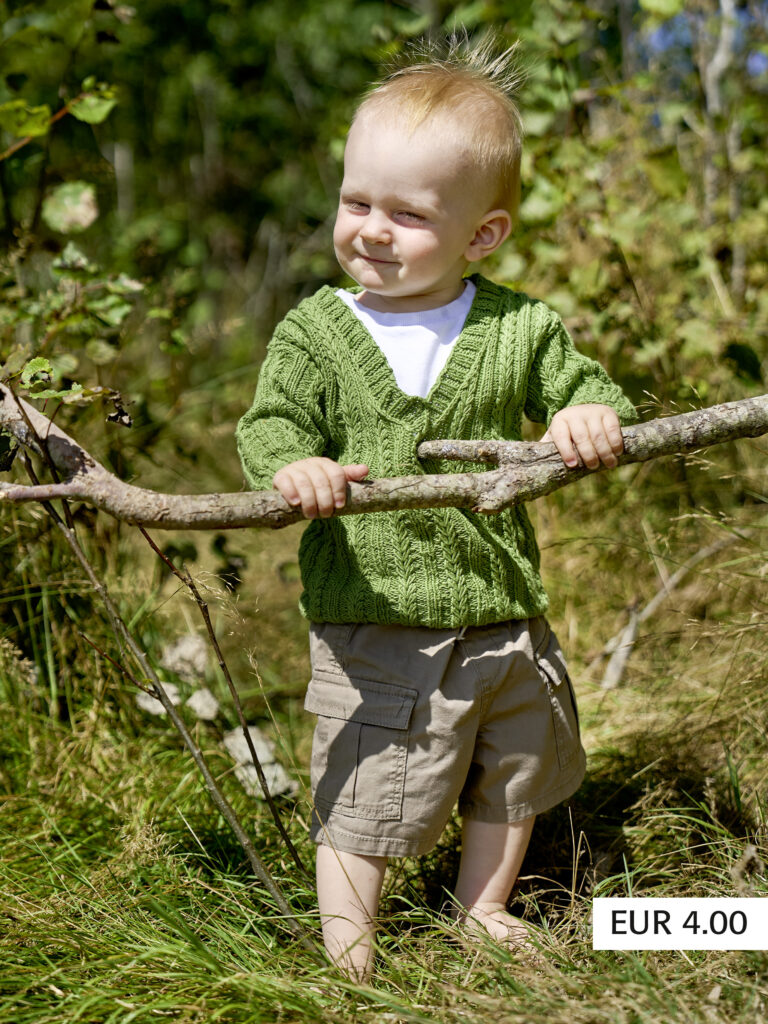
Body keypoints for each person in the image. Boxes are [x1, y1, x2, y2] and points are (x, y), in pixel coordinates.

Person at [236, 36, 636, 981]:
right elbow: (271, 423)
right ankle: (351, 950)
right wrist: (296, 464)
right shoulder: (319, 331)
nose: (371, 229)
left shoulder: (518, 325)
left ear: (481, 235)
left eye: (406, 214)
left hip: (504, 613)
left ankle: (481, 907)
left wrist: (587, 413)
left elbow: (586, 387)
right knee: (367, 786)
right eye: (355, 201)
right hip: (376, 618)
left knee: (518, 766)